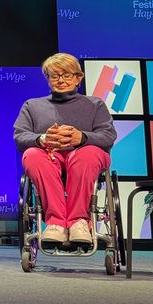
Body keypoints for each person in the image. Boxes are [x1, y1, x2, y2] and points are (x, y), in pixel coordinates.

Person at [13, 52, 116, 249]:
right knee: (32, 155)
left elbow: (108, 136)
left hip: (86, 157)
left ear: (78, 78)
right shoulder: (32, 106)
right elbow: (20, 137)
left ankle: (79, 221)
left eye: (67, 75)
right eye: (54, 75)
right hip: (49, 156)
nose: (61, 80)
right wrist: (42, 139)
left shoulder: (95, 104)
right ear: (47, 79)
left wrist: (82, 138)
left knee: (86, 154)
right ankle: (56, 223)